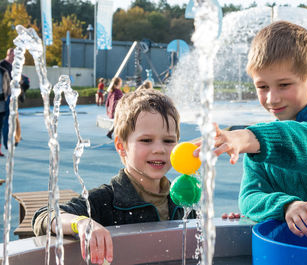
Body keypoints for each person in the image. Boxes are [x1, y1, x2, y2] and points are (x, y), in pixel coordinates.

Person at [195, 21, 307, 239]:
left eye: (284, 85)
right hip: (289, 253)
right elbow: (249, 197)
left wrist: (249, 136)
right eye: (262, 87)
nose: (272, 98)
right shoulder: (258, 147)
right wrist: (286, 206)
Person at [32, 89, 195, 264]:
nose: (159, 149)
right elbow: (44, 216)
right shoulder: (106, 200)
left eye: (168, 141)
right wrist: (81, 223)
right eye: (146, 140)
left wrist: (227, 222)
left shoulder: (181, 199)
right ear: (121, 146)